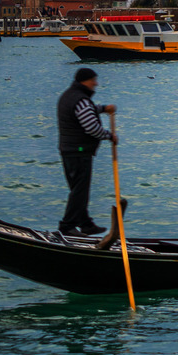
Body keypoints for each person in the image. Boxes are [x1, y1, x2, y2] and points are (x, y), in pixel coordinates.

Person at [56, 67, 116, 236]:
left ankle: (85, 224)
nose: (95, 84)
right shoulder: (80, 99)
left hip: (68, 149)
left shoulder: (69, 96)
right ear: (85, 81)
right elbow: (91, 127)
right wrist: (109, 136)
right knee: (80, 191)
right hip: (79, 151)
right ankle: (67, 226)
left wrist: (103, 108)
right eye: (93, 80)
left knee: (78, 189)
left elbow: (86, 111)